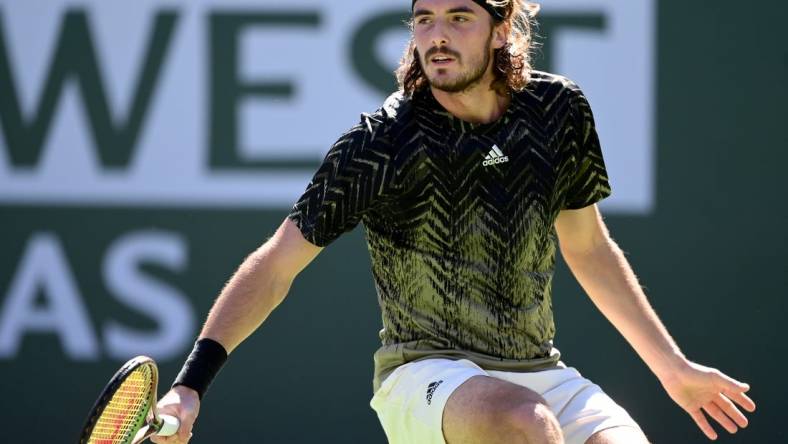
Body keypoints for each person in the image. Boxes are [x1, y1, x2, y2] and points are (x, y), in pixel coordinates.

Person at [151, 1, 756, 443]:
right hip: (423, 375)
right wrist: (191, 384)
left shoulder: (557, 110)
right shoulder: (380, 143)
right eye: (423, 19)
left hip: (538, 367)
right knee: (524, 420)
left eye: (459, 17)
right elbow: (276, 265)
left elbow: (590, 249)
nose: (436, 36)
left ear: (502, 29)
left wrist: (672, 370)